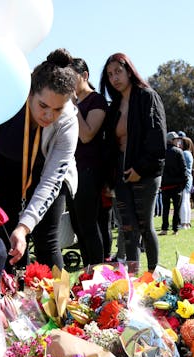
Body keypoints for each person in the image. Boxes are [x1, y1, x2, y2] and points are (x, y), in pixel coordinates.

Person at [0, 48, 79, 269]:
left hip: (47, 174)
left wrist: (25, 227)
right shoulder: (8, 92)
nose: (48, 116)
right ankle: (11, 298)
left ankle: (58, 302)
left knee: (46, 240)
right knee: (7, 236)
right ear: (29, 92)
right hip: (8, 168)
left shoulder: (68, 123)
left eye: (57, 109)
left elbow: (51, 182)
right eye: (43, 106)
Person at [100, 53, 166, 271]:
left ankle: (154, 275)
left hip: (145, 173)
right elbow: (109, 146)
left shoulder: (147, 96)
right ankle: (132, 279)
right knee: (128, 228)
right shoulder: (115, 106)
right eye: (110, 74)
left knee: (145, 226)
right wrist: (110, 178)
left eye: (118, 71)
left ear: (129, 70)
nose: (114, 78)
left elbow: (157, 137)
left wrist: (140, 168)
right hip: (121, 174)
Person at [66, 57, 108, 266]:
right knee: (77, 224)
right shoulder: (72, 103)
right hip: (71, 171)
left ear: (85, 76)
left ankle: (98, 270)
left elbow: (87, 135)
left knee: (89, 223)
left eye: (72, 78)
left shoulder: (96, 100)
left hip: (89, 170)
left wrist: (73, 107)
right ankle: (87, 270)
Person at [159, 132, 187, 235]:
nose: (178, 141)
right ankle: (175, 229)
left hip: (165, 185)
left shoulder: (161, 152)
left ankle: (164, 229)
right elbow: (183, 169)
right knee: (176, 209)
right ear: (172, 140)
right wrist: (184, 183)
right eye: (176, 139)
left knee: (165, 209)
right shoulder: (179, 152)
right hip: (177, 186)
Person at [179, 135, 194, 229]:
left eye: (181, 142)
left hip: (185, 179)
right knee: (187, 201)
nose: (179, 144)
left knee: (184, 201)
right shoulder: (189, 153)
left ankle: (184, 223)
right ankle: (187, 222)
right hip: (189, 178)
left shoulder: (184, 153)